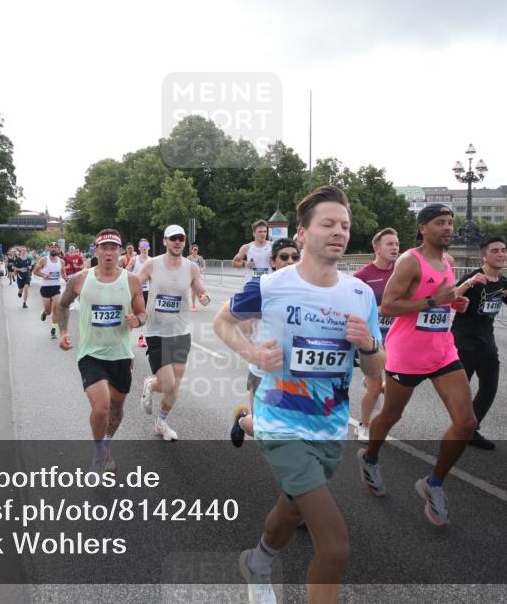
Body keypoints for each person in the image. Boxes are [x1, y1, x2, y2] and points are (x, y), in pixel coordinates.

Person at [213, 186, 383, 604]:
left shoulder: (360, 295)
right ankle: (260, 564)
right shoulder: (270, 286)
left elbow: (378, 373)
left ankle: (257, 561)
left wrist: (368, 346)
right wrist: (251, 352)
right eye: (328, 224)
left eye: (344, 225)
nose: (339, 232)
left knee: (290, 510)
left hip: (328, 426)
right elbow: (222, 321)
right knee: (336, 546)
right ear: (302, 234)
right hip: (279, 424)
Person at [358, 203, 473, 529]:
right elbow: (389, 306)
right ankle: (370, 458)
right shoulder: (411, 261)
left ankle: (433, 483)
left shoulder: (446, 261)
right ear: (423, 228)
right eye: (440, 223)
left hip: (443, 352)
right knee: (392, 415)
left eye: (450, 222)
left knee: (466, 423)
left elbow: (440, 301)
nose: (448, 228)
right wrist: (435, 301)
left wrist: (453, 302)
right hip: (407, 354)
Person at [56, 229, 148, 473]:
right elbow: (63, 305)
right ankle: (98, 455)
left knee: (116, 411)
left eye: (113, 248)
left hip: (120, 355)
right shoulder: (80, 279)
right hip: (90, 354)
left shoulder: (131, 281)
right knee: (101, 407)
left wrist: (137, 321)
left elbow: (143, 313)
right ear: (96, 250)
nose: (108, 252)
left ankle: (105, 445)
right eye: (103, 247)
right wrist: (64, 330)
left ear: (120, 252)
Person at [452, 236, 507, 450]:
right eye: (495, 251)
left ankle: (470, 430)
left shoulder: (504, 283)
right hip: (463, 342)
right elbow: (450, 299)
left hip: (487, 343)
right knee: (460, 393)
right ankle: (460, 428)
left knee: (489, 388)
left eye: (503, 250)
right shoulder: (473, 278)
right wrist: (468, 284)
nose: (501, 254)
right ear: (483, 256)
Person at [137, 225, 211, 441]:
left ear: (185, 241)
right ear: (165, 241)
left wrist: (205, 296)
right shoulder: (152, 264)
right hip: (156, 330)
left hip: (181, 331)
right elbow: (134, 284)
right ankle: (150, 383)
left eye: (181, 238)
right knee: (166, 383)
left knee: (176, 384)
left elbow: (200, 288)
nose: (177, 242)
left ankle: (161, 422)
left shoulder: (191, 268)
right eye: (173, 238)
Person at [226, 237, 301, 448]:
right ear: (273, 261)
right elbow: (233, 321)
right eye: (284, 257)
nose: (290, 261)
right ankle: (242, 420)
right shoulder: (263, 288)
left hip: (296, 372)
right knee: (264, 431)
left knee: (292, 430)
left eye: (295, 257)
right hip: (262, 371)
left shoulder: (308, 290)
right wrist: (249, 346)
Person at [352, 227, 400, 443]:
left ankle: (375, 384)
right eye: (390, 244)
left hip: (398, 338)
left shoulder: (402, 271)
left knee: (396, 385)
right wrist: (381, 310)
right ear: (377, 248)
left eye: (397, 244)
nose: (395, 248)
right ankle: (363, 425)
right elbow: (353, 308)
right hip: (373, 339)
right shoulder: (363, 276)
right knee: (374, 387)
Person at [33, 242, 68, 339]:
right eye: (51, 247)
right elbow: (35, 271)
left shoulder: (61, 261)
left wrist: (66, 278)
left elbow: (63, 273)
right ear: (49, 249)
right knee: (48, 311)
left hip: (56, 287)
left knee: (56, 310)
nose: (53, 249)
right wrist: (43, 275)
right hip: (45, 288)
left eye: (55, 247)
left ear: (58, 249)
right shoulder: (44, 260)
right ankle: (44, 312)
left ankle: (53, 330)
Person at [126, 239, 152, 348]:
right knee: (131, 315)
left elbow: (153, 278)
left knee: (143, 315)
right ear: (139, 248)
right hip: (134, 292)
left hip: (146, 291)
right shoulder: (134, 260)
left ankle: (141, 337)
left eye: (146, 245)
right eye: (142, 246)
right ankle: (126, 338)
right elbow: (125, 273)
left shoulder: (152, 261)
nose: (144, 248)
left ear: (149, 248)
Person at [188, 243, 207, 311]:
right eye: (194, 249)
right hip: (191, 277)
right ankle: (193, 305)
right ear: (192, 250)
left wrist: (202, 269)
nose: (196, 251)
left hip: (198, 276)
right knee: (193, 291)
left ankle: (201, 299)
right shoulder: (189, 258)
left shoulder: (200, 258)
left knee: (200, 290)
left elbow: (204, 266)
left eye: (197, 249)